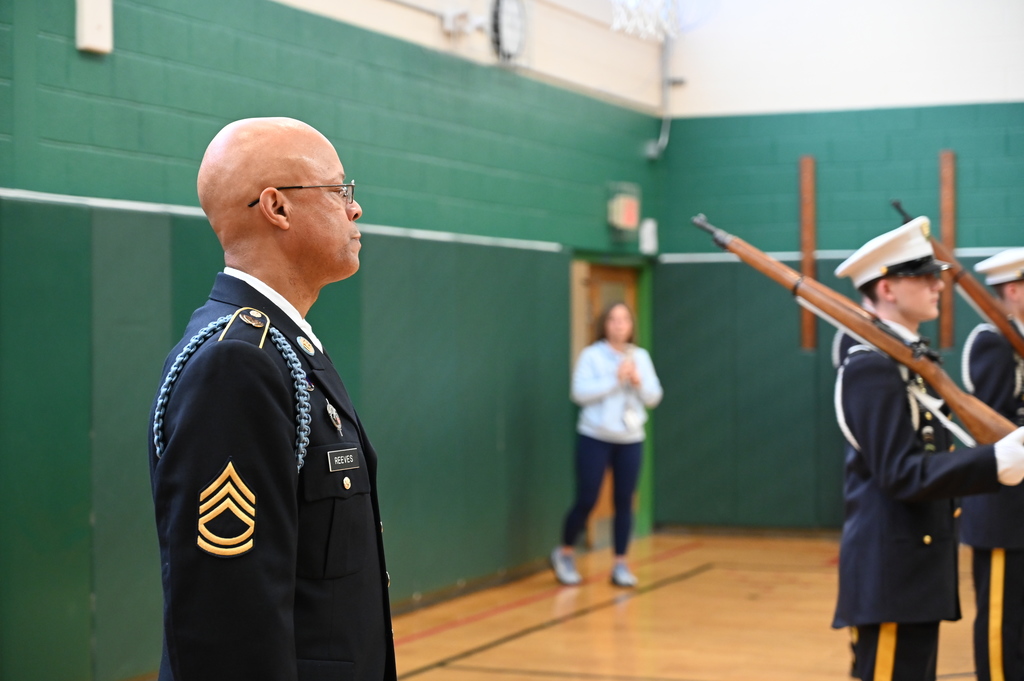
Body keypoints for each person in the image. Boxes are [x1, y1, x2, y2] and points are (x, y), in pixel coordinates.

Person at [148, 117, 396, 681]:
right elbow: (226, 622)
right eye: (340, 191)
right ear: (277, 208)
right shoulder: (236, 363)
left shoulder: (282, 348)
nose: (355, 209)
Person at [831, 217, 1024, 681]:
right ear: (887, 289)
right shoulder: (871, 368)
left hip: (915, 567)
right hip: (892, 570)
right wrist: (996, 460)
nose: (938, 285)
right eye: (922, 276)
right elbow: (901, 473)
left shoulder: (905, 360)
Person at [551, 302, 663, 588]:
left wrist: (637, 382)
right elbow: (579, 393)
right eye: (613, 320)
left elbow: (654, 397)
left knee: (624, 502)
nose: (618, 325)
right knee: (587, 498)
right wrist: (614, 380)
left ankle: (620, 564)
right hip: (595, 437)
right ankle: (565, 552)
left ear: (631, 325)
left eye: (624, 320)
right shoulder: (592, 356)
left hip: (630, 439)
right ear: (604, 324)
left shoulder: (641, 357)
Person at [960, 247, 1024, 681]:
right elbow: (993, 425)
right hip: (1004, 513)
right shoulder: (993, 342)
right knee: (1003, 631)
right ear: (1016, 291)